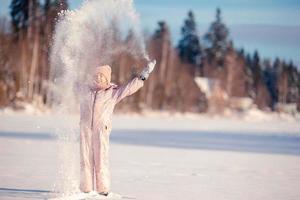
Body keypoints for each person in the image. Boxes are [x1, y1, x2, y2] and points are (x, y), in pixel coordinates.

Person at [79, 60, 156, 198]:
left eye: (102, 76)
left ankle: (103, 190)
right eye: (96, 75)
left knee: (100, 159)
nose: (98, 78)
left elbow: (129, 88)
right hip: (85, 129)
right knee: (85, 159)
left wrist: (144, 75)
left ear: (107, 78)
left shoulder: (112, 92)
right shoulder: (86, 90)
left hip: (101, 130)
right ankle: (86, 188)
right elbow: (70, 84)